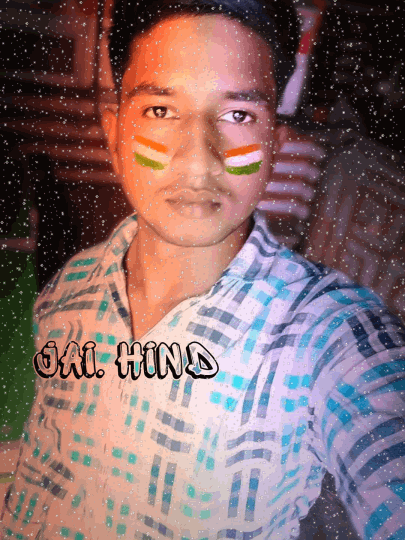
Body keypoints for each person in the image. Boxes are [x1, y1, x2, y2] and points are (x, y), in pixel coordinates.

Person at [1, 1, 404, 539]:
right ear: (114, 133)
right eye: (160, 110)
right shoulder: (65, 292)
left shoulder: (330, 333)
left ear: (273, 144)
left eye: (238, 115)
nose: (198, 159)